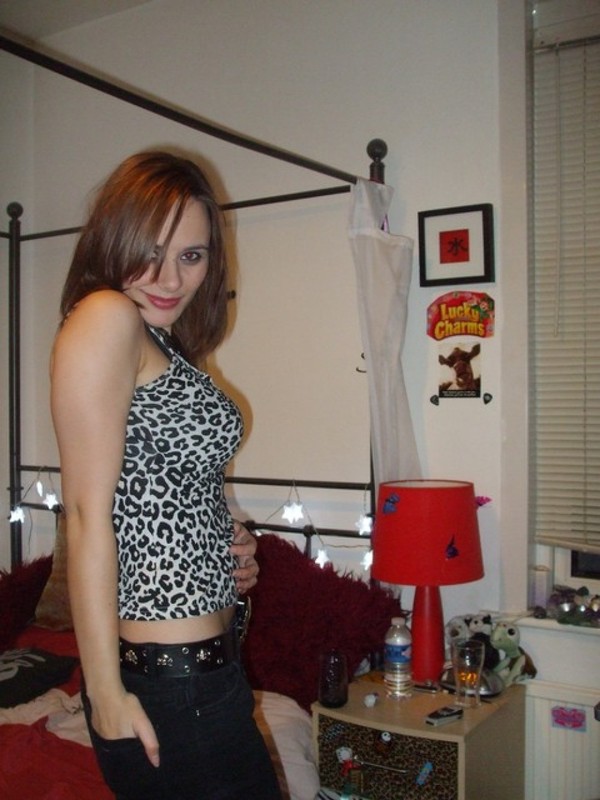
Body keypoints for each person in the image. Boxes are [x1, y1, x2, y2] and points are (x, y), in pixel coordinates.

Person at [50, 151, 282, 799]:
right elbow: (88, 515)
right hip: (173, 686)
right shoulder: (107, 317)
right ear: (113, 237)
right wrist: (105, 694)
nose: (170, 278)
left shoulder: (163, 341)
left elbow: (161, 489)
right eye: (151, 251)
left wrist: (227, 541)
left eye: (192, 255)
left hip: (206, 676)